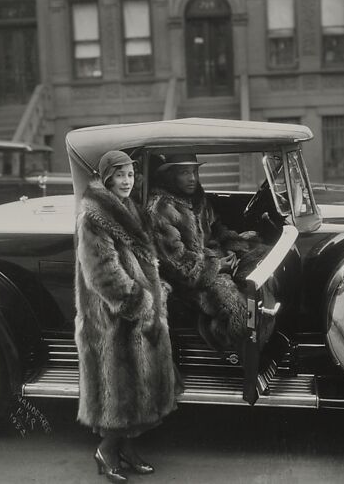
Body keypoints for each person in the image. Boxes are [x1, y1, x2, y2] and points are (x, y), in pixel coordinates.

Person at [74, 150, 181, 483]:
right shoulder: (94, 216)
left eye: (130, 175)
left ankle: (128, 450)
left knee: (140, 391)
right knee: (118, 395)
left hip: (137, 315)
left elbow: (141, 260)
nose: (126, 181)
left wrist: (156, 287)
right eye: (120, 175)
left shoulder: (129, 208)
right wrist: (141, 303)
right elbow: (103, 273)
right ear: (107, 177)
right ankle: (106, 451)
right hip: (112, 320)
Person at [146, 153, 267, 350]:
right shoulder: (161, 208)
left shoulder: (196, 198)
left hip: (211, 260)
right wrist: (218, 266)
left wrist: (237, 247)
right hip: (187, 280)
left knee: (262, 256)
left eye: (195, 171)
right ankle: (229, 349)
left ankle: (261, 339)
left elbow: (217, 229)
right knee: (239, 310)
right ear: (170, 175)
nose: (193, 178)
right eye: (185, 172)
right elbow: (177, 264)